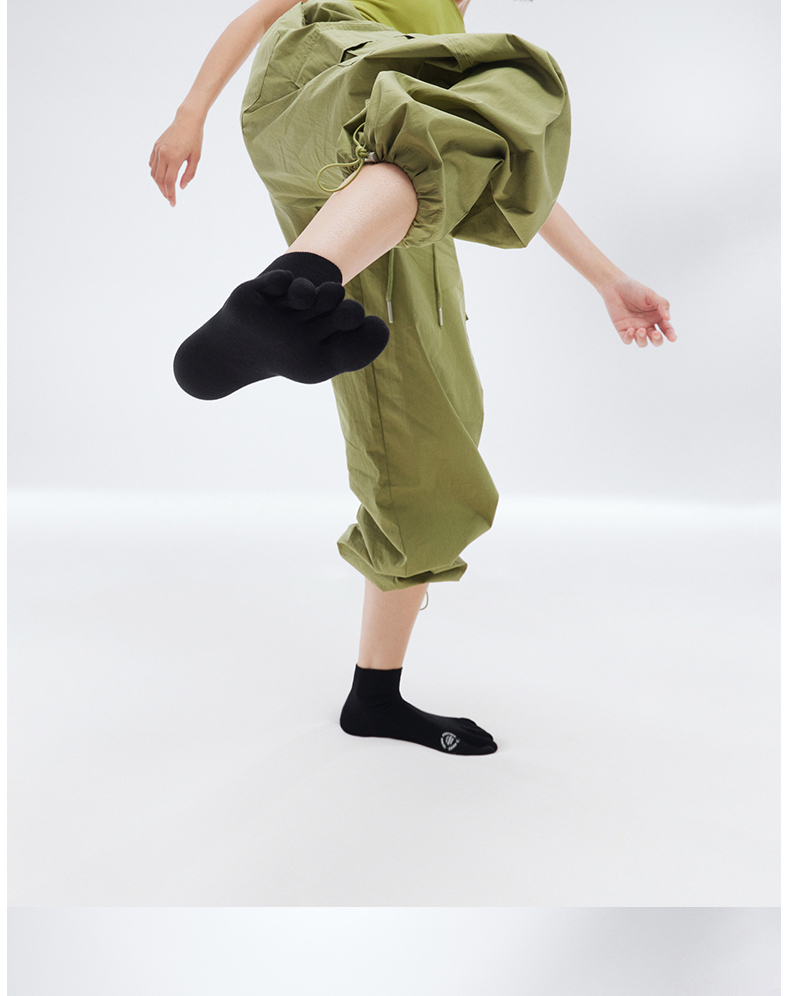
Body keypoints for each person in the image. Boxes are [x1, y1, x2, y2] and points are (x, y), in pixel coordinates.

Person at [149, 0, 677, 756]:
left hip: (390, 194)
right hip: (323, 83)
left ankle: (376, 697)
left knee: (434, 450)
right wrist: (189, 113)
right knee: (516, 79)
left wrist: (607, 279)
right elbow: (259, 15)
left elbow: (509, 167)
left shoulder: (448, 57)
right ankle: (290, 291)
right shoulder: (439, 74)